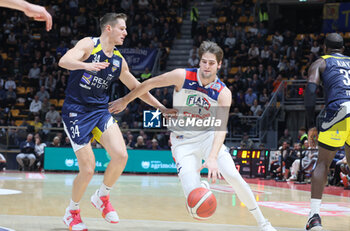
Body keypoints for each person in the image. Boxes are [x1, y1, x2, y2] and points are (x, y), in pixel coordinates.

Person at [109, 41, 276, 231]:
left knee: (233, 176)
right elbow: (149, 83)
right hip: (182, 143)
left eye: (211, 63)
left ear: (219, 65)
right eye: (204, 62)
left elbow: (221, 128)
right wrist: (125, 100)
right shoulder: (182, 76)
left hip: (207, 137)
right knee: (195, 203)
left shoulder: (223, 93)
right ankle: (200, 184)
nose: (206, 66)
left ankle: (263, 222)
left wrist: (212, 157)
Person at [58, 13, 170, 231]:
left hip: (100, 111)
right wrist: (85, 66)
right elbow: (64, 61)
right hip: (76, 112)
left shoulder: (118, 60)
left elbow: (138, 88)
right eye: (122, 28)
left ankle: (102, 197)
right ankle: (71, 212)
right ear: (108, 28)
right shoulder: (89, 45)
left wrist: (162, 108)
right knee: (88, 169)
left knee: (121, 155)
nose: (126, 33)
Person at [304, 33, 350, 230]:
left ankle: (314, 217)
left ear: (325, 48)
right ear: (343, 48)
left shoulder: (320, 62)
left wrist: (311, 124)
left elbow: (310, 91)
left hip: (339, 110)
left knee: (323, 162)